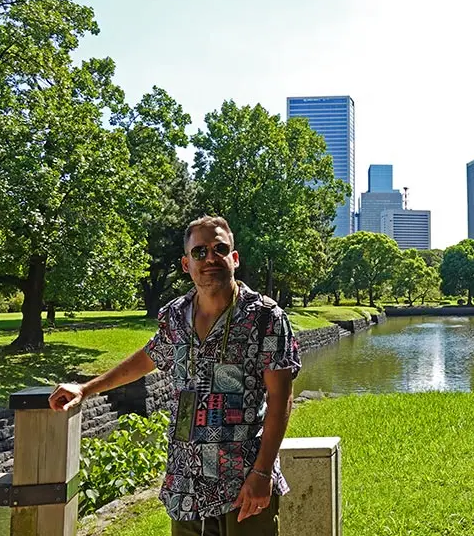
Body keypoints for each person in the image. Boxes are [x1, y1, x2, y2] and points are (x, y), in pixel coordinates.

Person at [49, 216, 301, 535]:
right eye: (199, 252)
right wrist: (86, 389)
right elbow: (148, 356)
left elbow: (281, 398)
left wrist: (262, 473)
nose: (210, 258)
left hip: (242, 484)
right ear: (186, 263)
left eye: (220, 249)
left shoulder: (265, 317)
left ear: (234, 258)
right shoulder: (175, 315)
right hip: (186, 485)